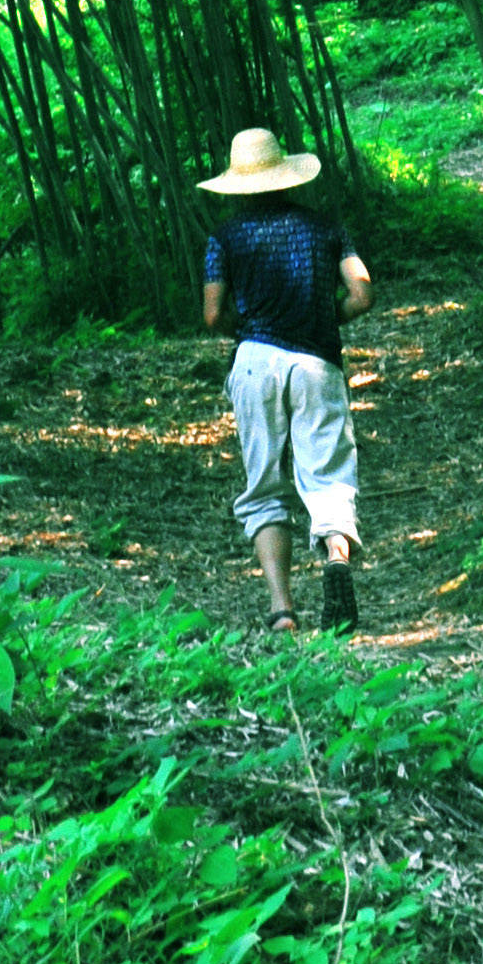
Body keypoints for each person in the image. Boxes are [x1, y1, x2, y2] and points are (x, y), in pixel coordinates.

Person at [198, 125, 372, 632]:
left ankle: (281, 609)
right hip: (316, 361)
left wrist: (251, 330)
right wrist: (322, 316)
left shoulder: (224, 238)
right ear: (286, 175)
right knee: (328, 475)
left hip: (255, 361)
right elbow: (362, 294)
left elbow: (212, 315)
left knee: (265, 486)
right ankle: (336, 557)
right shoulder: (326, 229)